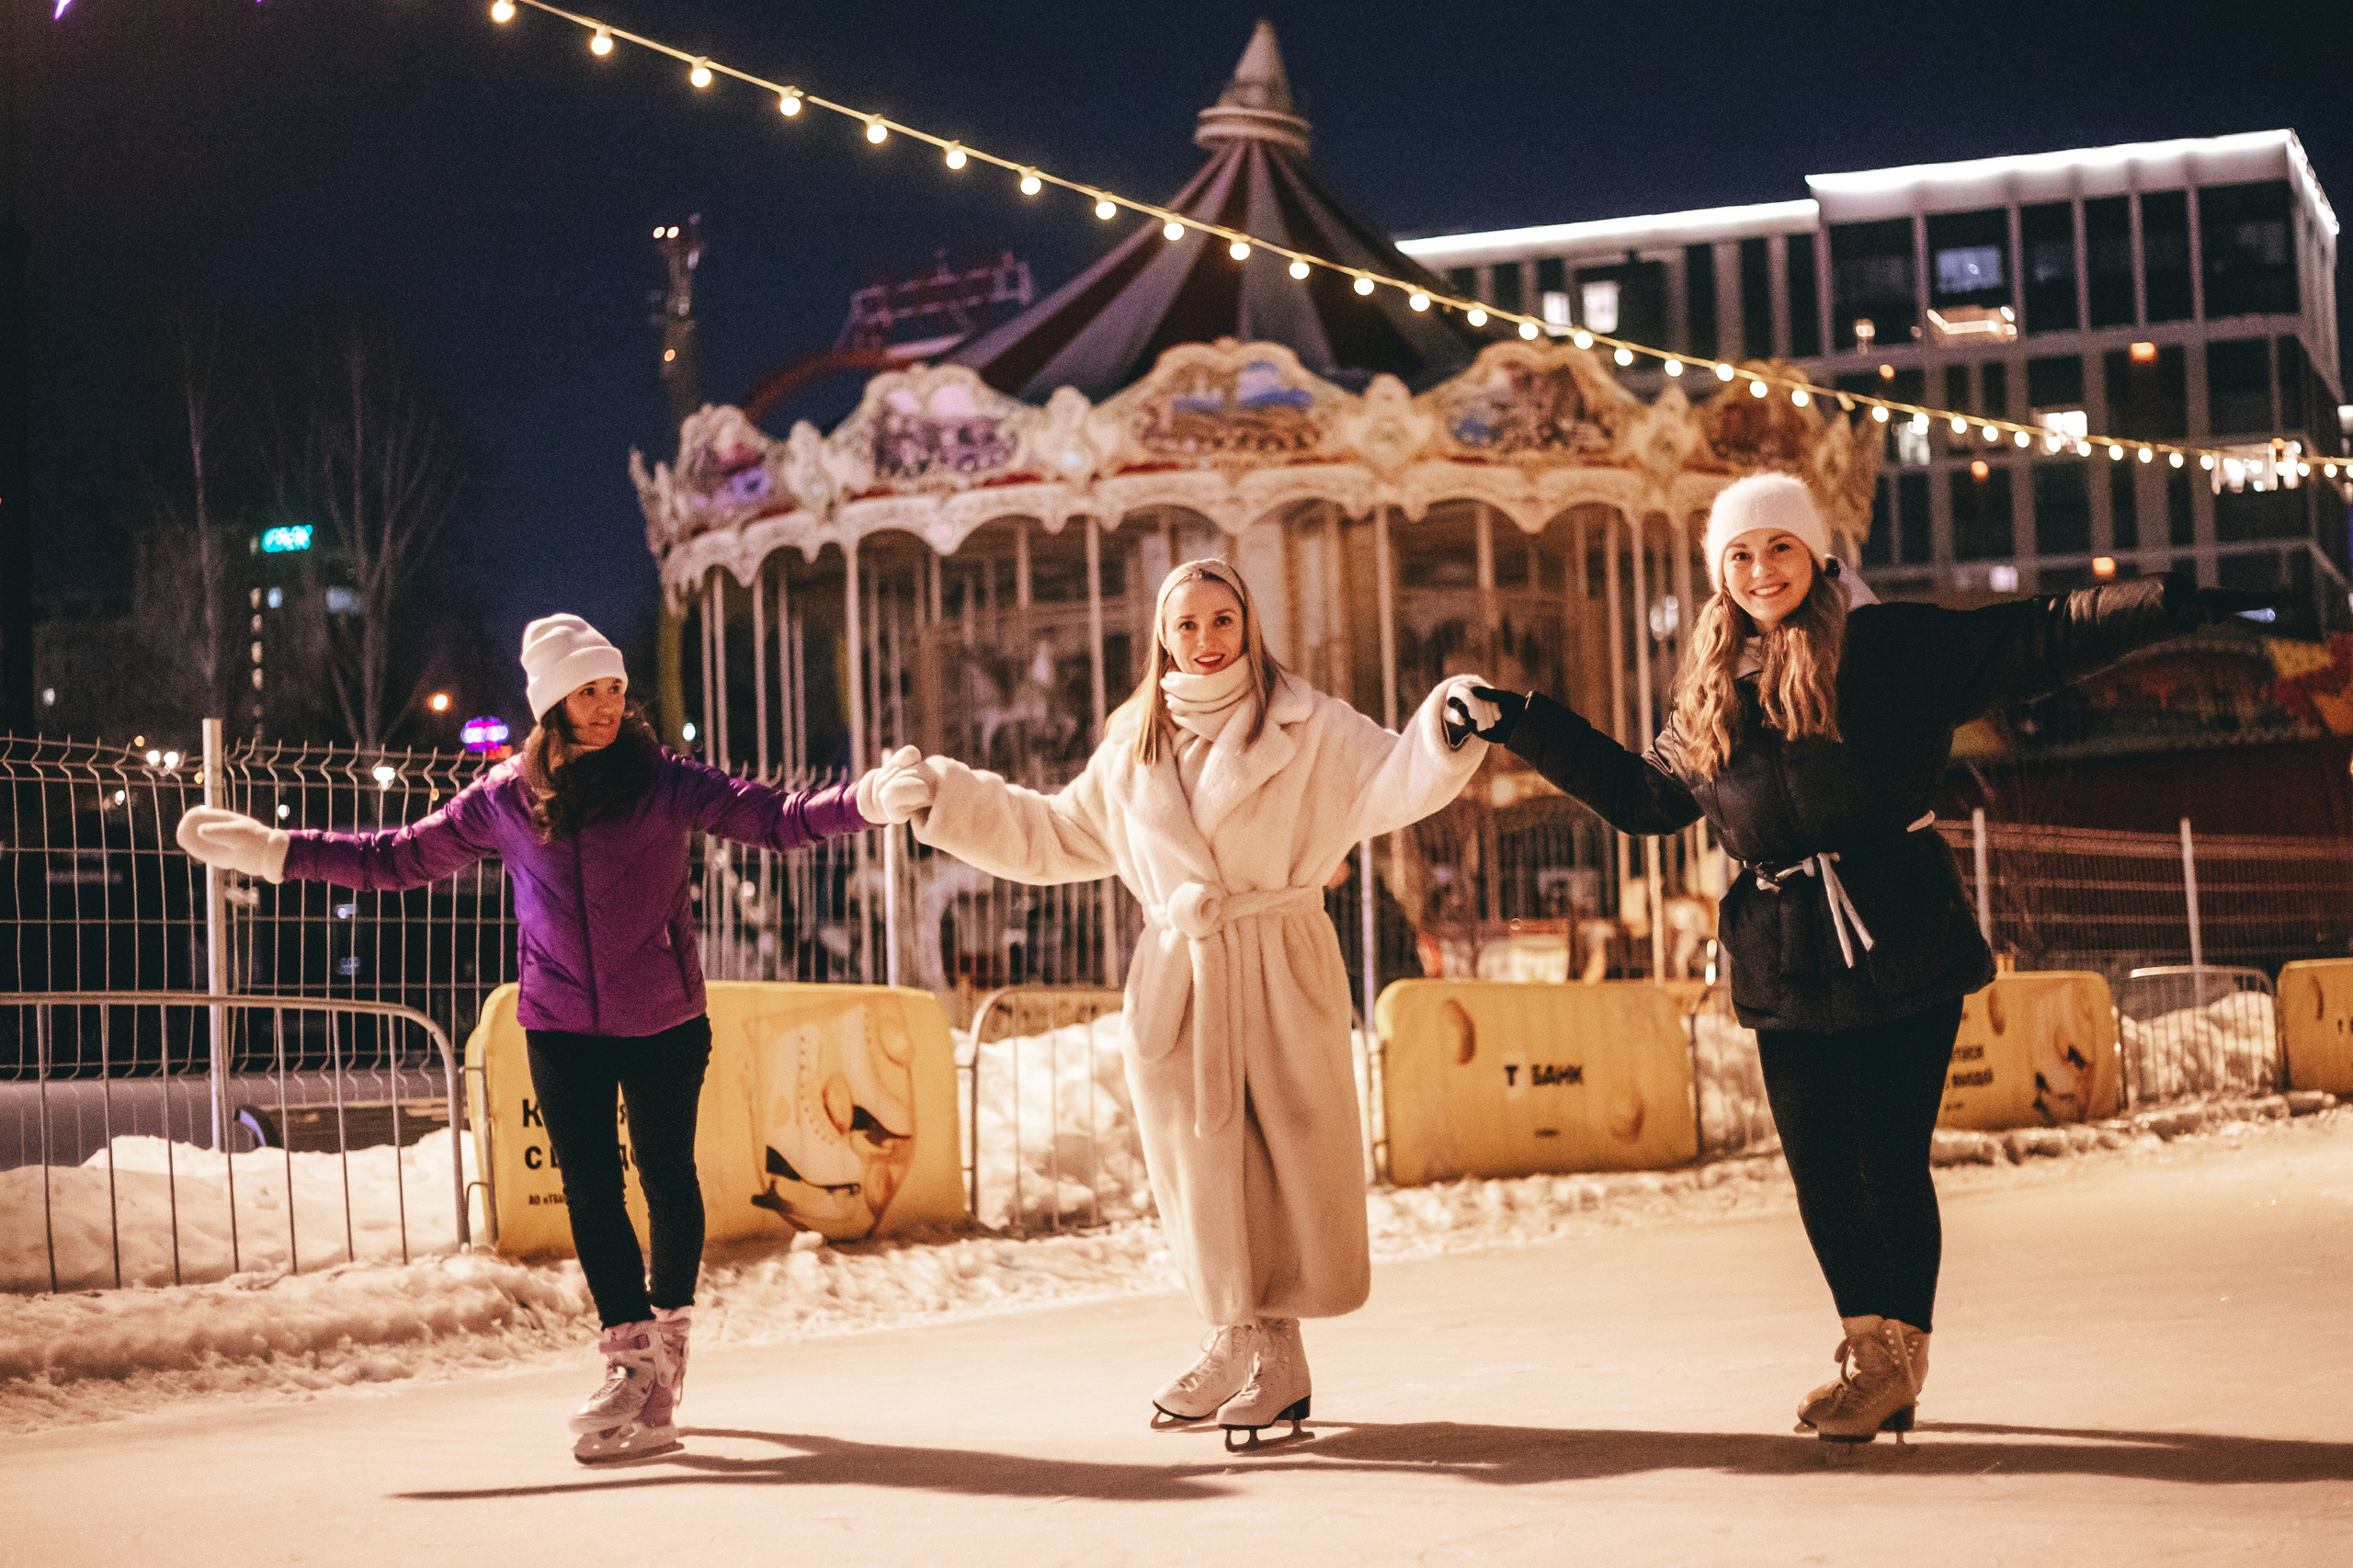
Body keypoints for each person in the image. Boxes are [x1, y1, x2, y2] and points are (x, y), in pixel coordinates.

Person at [1460, 473, 2270, 1443]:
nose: (1762, 570)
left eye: (1780, 548)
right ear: (1721, 571)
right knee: (1817, 1166)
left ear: (1816, 556)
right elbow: (1641, 796)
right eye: (1741, 554)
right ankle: (1868, 1348)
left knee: (1884, 1157)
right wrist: (1521, 721)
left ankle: (1895, 1357)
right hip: (1781, 951)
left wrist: (2168, 603)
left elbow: (2038, 635)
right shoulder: (1711, 688)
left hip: (1897, 928)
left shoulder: (1888, 647)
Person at [176, 614, 878, 1464]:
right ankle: (630, 1361)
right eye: (589, 691)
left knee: (663, 1171)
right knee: (590, 1186)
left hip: (664, 1016)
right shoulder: (507, 798)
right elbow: (399, 858)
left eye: (616, 688)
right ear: (552, 703)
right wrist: (282, 852)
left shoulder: (665, 783)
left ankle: (667, 1332)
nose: (608, 705)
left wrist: (863, 804)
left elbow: (776, 818)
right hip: (557, 1022)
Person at [858, 559, 1490, 1450]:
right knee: (1201, 1172)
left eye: (1221, 619)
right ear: (1162, 635)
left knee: (1283, 1160)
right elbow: (1050, 832)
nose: (1205, 639)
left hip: (1276, 960)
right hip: (1180, 978)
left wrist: (1446, 726)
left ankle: (1279, 1355)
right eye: (1185, 624)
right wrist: (946, 798)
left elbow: (1391, 777)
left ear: (1248, 625)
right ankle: (1235, 1341)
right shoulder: (1130, 750)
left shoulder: (1309, 726)